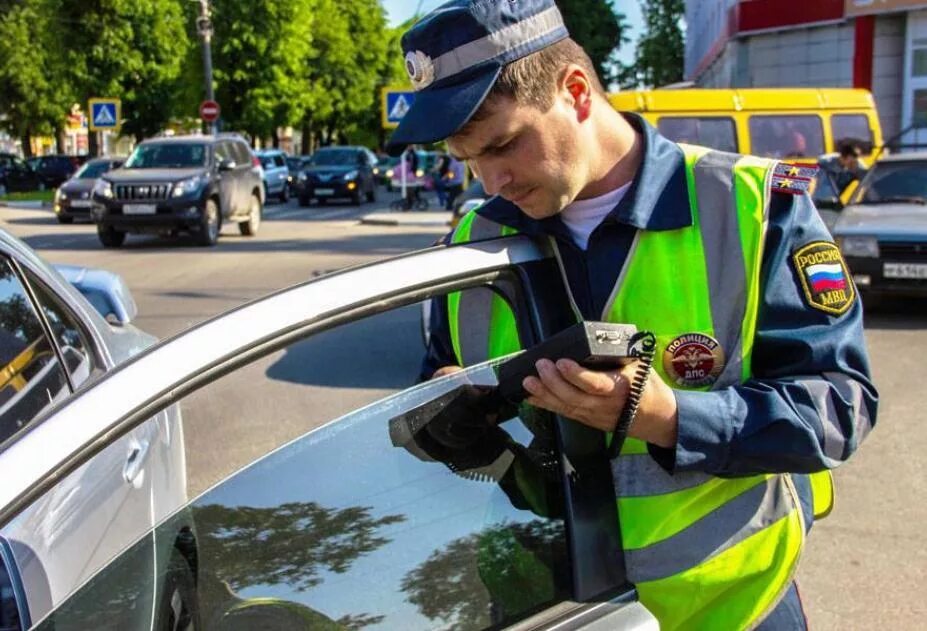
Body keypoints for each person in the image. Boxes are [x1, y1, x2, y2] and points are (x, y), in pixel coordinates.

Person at [386, 1, 878, 629]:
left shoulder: (755, 208)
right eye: (468, 159)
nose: (491, 180)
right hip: (546, 607)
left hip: (730, 608)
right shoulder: (469, 245)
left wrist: (669, 419)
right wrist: (443, 413)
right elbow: (435, 392)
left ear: (576, 92)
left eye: (504, 144)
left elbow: (841, 406)